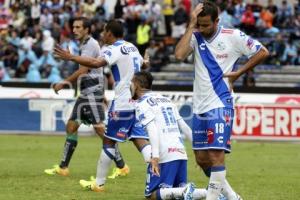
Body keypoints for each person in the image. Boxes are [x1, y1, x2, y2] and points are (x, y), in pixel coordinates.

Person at [175, 2, 269, 200]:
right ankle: (232, 197)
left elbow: (262, 52)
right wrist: (191, 25)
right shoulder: (196, 34)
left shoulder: (233, 36)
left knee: (216, 156)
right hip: (199, 105)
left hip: (220, 104)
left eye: (206, 25)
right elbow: (179, 55)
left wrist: (239, 73)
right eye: (199, 24)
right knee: (201, 159)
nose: (202, 29)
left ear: (217, 21)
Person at [54, 20, 152, 192]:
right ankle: (161, 172)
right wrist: (146, 62)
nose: (102, 35)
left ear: (110, 33)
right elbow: (144, 65)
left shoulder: (111, 49)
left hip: (122, 103)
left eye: (104, 31)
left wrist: (70, 57)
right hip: (137, 103)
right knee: (140, 140)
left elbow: (96, 63)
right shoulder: (132, 47)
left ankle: (99, 184)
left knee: (108, 140)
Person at [44, 17, 129, 177]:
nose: (74, 29)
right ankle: (63, 167)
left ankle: (122, 166)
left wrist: (64, 82)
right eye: (73, 26)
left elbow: (84, 69)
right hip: (86, 93)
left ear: (87, 29)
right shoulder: (85, 44)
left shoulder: (90, 44)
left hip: (91, 94)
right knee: (71, 126)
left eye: (78, 27)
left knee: (101, 131)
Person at [132, 71, 207, 200]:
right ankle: (211, 193)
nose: (130, 86)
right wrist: (198, 151)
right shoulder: (166, 99)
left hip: (164, 154)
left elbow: (152, 129)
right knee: (176, 195)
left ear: (137, 85)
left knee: (152, 195)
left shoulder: (141, 104)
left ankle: (185, 191)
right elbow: (184, 126)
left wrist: (155, 157)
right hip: (180, 151)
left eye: (131, 83)